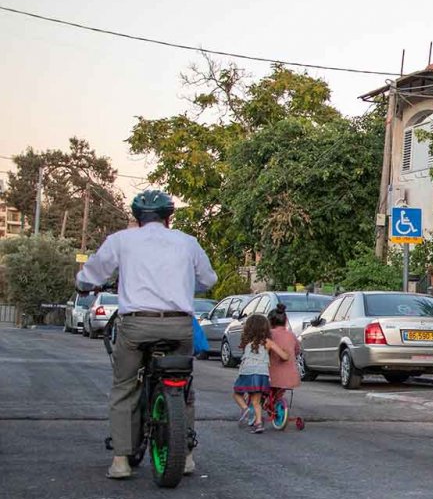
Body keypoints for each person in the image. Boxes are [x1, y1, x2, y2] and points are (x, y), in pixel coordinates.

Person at [76, 189, 216, 479]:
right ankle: (187, 454)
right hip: (179, 325)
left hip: (136, 325)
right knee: (184, 385)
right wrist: (186, 285)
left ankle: (120, 460)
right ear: (169, 217)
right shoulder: (187, 243)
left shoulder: (121, 240)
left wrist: (82, 285)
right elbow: (208, 279)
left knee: (125, 386)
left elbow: (93, 273)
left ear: (137, 217)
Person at [233, 314, 287, 434]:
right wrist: (286, 353)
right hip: (261, 374)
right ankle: (258, 424)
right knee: (256, 401)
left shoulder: (246, 342)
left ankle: (246, 409)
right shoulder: (268, 342)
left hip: (246, 373)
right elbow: (284, 356)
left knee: (237, 394)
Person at [267, 303, 302, 420]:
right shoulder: (291, 335)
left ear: (270, 322)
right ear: (286, 321)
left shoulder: (269, 335)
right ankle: (278, 405)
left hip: (272, 375)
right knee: (280, 390)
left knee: (267, 389)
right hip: (291, 376)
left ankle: (269, 406)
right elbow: (297, 350)